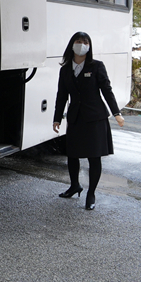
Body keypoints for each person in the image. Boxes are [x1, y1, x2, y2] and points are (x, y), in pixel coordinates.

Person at [52, 31, 125, 210]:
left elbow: (107, 90)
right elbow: (61, 95)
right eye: (79, 41)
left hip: (95, 118)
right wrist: (57, 118)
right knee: (73, 155)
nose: (82, 44)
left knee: (94, 157)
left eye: (86, 42)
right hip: (75, 117)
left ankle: (91, 193)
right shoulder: (65, 69)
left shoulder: (96, 66)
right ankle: (74, 185)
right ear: (72, 44)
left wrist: (116, 113)